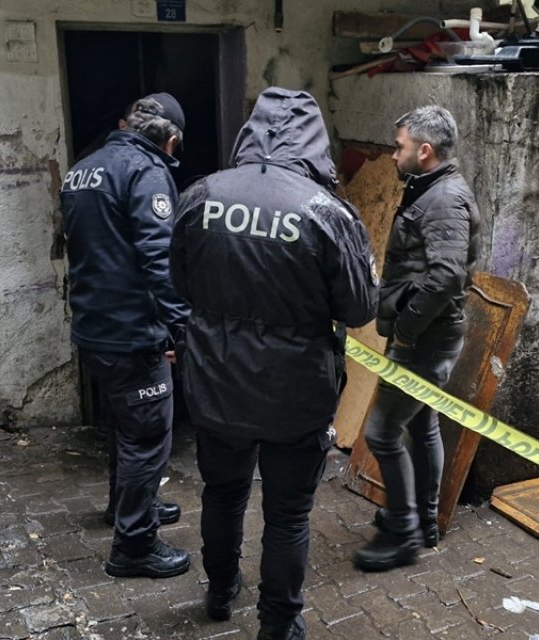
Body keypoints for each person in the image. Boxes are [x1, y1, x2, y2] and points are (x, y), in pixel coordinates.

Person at [170, 87, 377, 640]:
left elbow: (179, 281)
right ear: (314, 141)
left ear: (250, 131)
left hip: (216, 382)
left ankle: (219, 590)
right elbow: (360, 308)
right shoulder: (328, 212)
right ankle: (279, 623)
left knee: (223, 492)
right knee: (287, 514)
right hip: (296, 392)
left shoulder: (200, 195)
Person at [60, 93, 191, 579]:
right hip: (131, 332)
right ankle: (134, 546)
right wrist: (183, 327)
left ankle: (127, 507)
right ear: (171, 140)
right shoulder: (146, 172)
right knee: (149, 435)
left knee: (123, 426)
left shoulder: (86, 167)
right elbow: (160, 260)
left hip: (95, 326)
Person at [352, 105, 481, 573]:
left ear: (424, 151)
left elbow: (447, 274)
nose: (392, 155)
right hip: (424, 333)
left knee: (381, 432)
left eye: (400, 146)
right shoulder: (427, 188)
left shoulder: (443, 199)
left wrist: (405, 328)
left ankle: (403, 534)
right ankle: (423, 520)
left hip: (425, 338)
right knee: (422, 423)